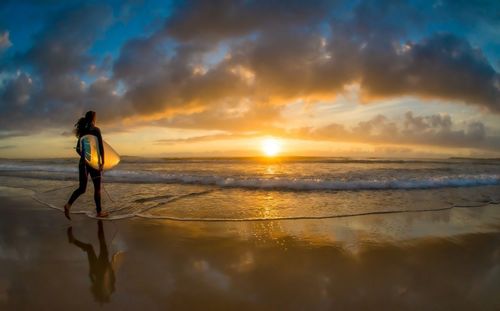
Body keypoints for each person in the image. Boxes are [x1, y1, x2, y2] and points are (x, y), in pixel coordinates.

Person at [64, 111, 108, 219]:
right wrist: (102, 162)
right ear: (93, 118)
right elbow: (101, 147)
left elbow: (78, 149)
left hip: (83, 163)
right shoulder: (96, 130)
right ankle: (99, 212)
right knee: (97, 188)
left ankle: (68, 205)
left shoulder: (83, 132)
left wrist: (85, 157)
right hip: (93, 164)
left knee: (82, 188)